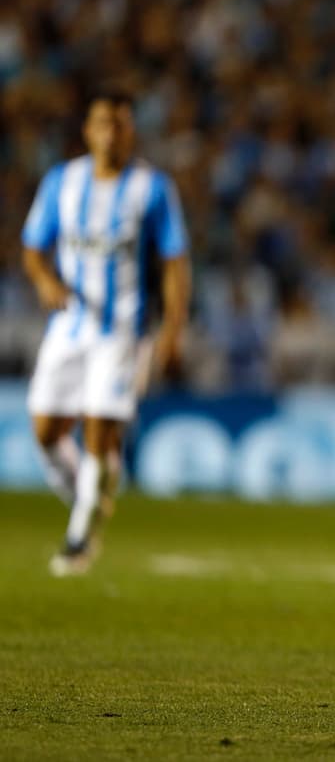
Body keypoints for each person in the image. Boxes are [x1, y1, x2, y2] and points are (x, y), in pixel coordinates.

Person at [21, 88, 191, 577]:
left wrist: (173, 329)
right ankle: (90, 500)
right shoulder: (62, 181)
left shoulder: (152, 188)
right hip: (69, 326)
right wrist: (45, 281)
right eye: (102, 123)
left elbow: (174, 263)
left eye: (120, 124)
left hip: (124, 330)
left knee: (99, 429)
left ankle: (80, 537)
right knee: (45, 432)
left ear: (131, 131)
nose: (111, 133)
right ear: (87, 131)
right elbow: (33, 247)